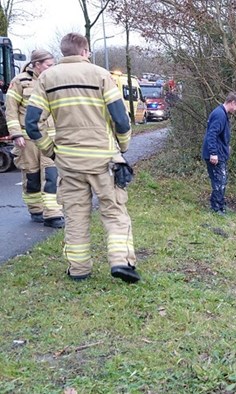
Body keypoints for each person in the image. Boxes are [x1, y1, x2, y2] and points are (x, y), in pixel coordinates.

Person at [24, 32, 139, 283]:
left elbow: (32, 123)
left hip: (69, 162)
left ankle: (79, 269)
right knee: (115, 211)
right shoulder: (101, 75)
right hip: (103, 161)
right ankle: (121, 261)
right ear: (85, 51)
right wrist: (122, 146)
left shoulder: (46, 78)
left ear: (63, 52)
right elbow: (120, 119)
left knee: (75, 215)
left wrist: (51, 151)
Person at [6, 49, 64, 228]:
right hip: (27, 138)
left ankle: (53, 214)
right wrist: (15, 134)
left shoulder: (53, 81)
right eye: (48, 65)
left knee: (52, 176)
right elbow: (11, 110)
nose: (51, 68)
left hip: (49, 138)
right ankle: (36, 209)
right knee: (32, 176)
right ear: (36, 64)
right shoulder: (19, 82)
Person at [200, 91, 236, 214]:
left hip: (220, 153)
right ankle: (216, 207)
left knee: (221, 180)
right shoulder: (220, 114)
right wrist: (213, 153)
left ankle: (220, 205)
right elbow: (211, 135)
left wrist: (226, 147)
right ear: (232, 103)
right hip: (215, 155)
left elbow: (219, 135)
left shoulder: (222, 114)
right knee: (219, 181)